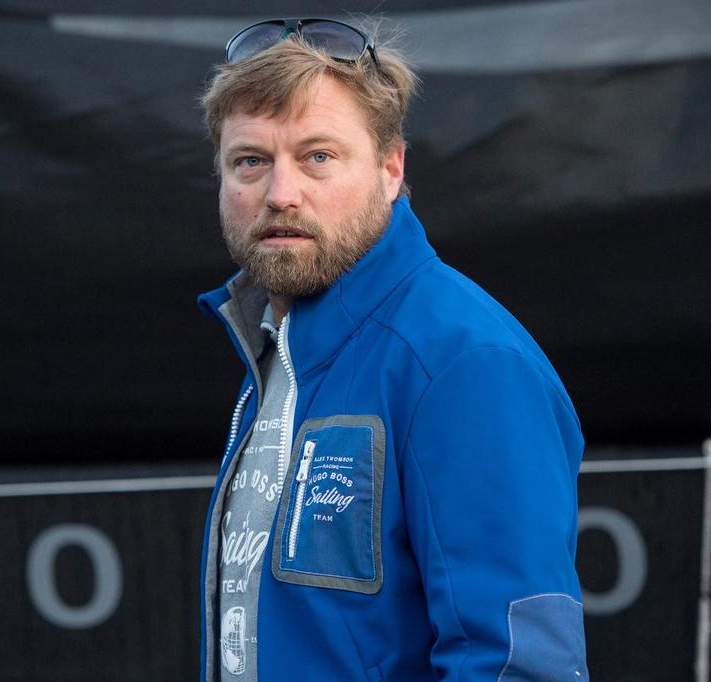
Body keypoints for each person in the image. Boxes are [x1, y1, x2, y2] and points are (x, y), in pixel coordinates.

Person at [196, 18, 589, 682]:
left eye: (318, 156)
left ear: (391, 168)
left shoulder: (464, 362)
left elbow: (518, 667)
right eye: (251, 161)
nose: (280, 193)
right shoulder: (279, 345)